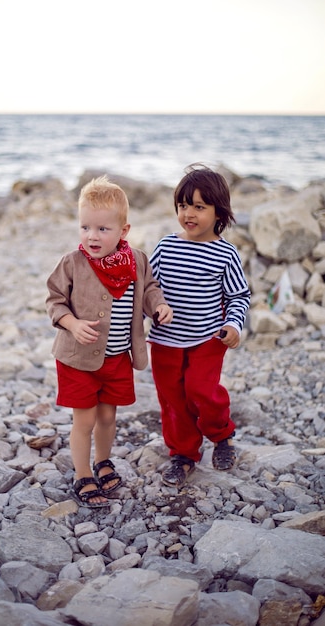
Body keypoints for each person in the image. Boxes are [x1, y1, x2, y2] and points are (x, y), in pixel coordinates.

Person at [46, 175, 173, 508]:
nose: (92, 236)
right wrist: (71, 323)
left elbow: (148, 290)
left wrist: (158, 305)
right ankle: (82, 473)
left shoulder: (137, 262)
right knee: (84, 420)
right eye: (85, 227)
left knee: (107, 417)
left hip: (116, 357)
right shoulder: (72, 263)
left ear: (123, 231)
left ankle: (103, 461)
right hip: (78, 359)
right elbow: (54, 300)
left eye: (103, 229)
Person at [148, 164, 251, 488]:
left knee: (201, 391)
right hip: (165, 341)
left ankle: (222, 434)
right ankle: (183, 453)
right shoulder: (166, 247)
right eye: (183, 205)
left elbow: (239, 295)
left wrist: (233, 325)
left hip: (208, 339)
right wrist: (147, 312)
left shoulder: (225, 254)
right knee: (173, 400)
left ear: (219, 211)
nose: (188, 213)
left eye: (198, 206)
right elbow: (148, 288)